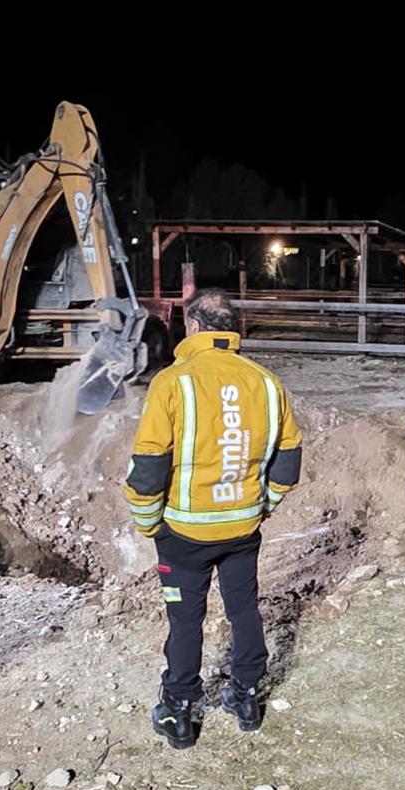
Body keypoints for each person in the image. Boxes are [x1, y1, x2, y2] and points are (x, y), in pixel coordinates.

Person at [124, 288, 303, 749]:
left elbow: (148, 467)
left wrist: (149, 524)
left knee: (186, 621)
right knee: (244, 610)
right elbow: (289, 459)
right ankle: (245, 698)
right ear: (234, 330)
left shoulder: (174, 382)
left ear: (195, 327)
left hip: (184, 533)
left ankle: (180, 713)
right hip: (243, 529)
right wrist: (265, 506)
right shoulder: (266, 383)